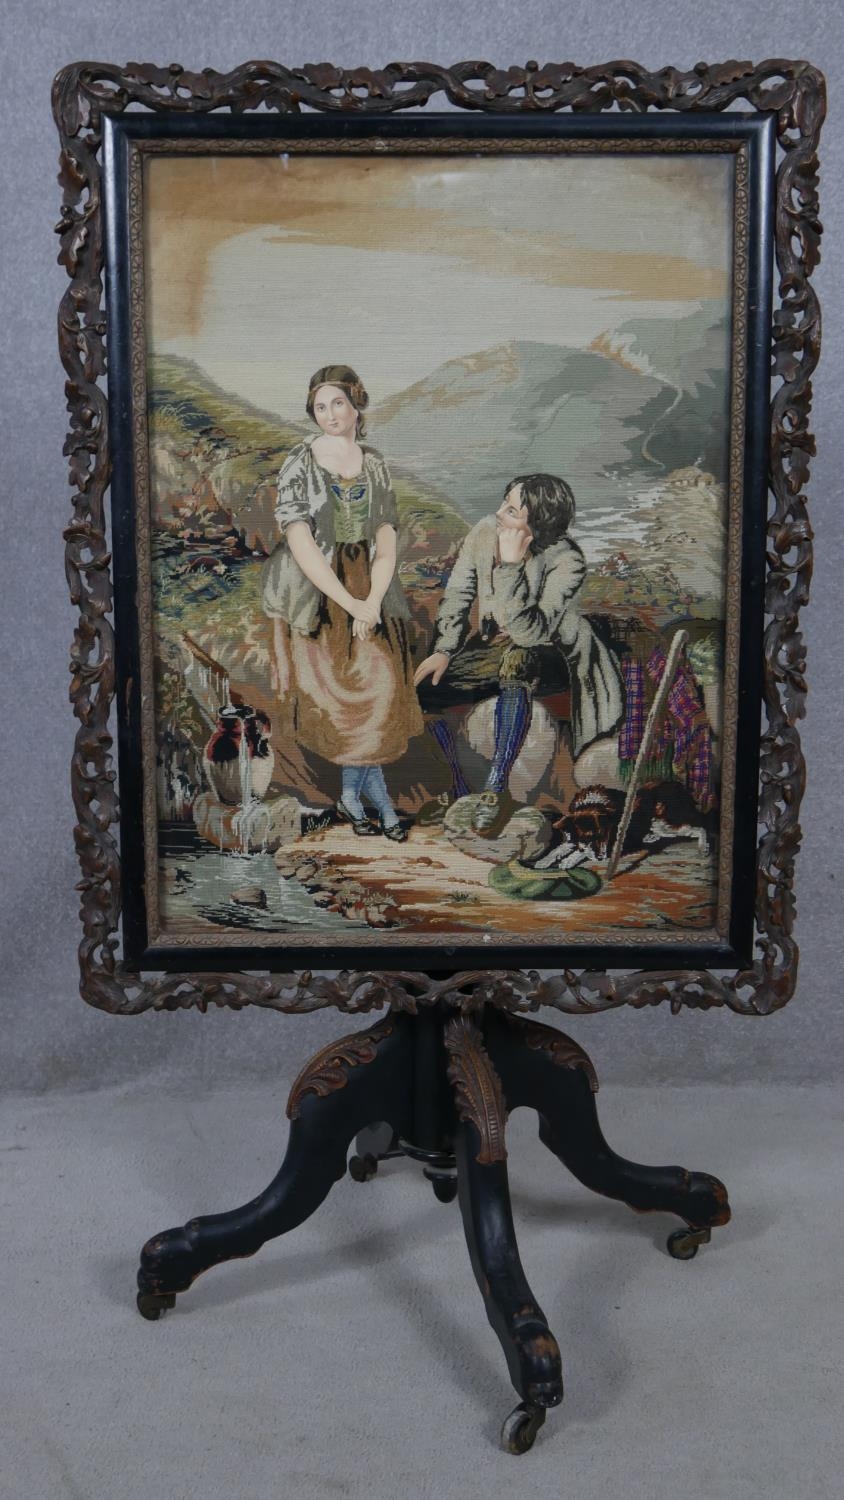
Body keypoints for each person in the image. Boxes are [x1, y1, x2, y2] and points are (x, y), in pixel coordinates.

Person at [262, 364, 423, 840]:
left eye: (338, 403)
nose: (330, 414)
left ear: (357, 404)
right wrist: (350, 606)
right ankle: (385, 810)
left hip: (369, 586)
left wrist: (371, 599)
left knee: (382, 693)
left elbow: (386, 537)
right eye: (320, 407)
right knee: (342, 707)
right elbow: (301, 544)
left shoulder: (373, 463)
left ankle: (355, 798)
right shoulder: (300, 461)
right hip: (317, 598)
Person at [413, 472, 624, 814]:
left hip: (555, 653)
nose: (499, 513)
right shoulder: (484, 532)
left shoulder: (567, 560)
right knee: (426, 689)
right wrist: (444, 648)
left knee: (518, 659)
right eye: (504, 503)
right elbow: (459, 592)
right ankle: (459, 791)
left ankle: (496, 791)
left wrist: (510, 567)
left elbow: (531, 634)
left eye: (511, 511)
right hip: (496, 645)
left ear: (538, 525)